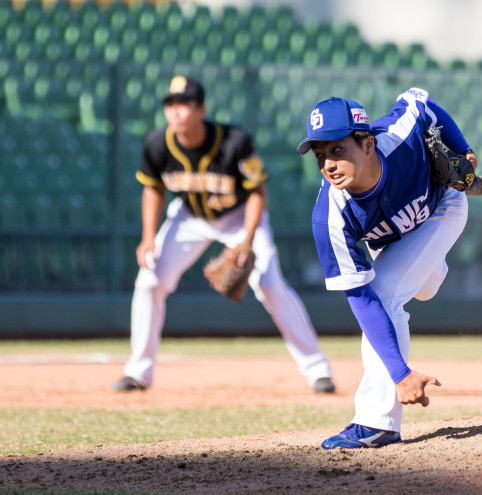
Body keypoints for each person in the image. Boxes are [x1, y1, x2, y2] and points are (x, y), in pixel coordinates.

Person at [111, 76, 335, 394]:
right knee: (149, 280)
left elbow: (258, 191)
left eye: (184, 104)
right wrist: (148, 236)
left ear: (201, 109)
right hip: (189, 217)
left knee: (270, 284)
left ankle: (318, 370)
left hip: (241, 217)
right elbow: (153, 188)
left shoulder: (234, 142)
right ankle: (138, 373)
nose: (175, 112)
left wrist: (246, 239)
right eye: (170, 105)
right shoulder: (157, 144)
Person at [296, 88, 478, 449]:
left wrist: (463, 150)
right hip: (393, 236)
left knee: (388, 290)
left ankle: (377, 422)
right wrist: (401, 372)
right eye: (319, 155)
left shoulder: (398, 136)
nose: (328, 163)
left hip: (441, 208)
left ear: (367, 145)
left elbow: (419, 99)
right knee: (413, 289)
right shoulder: (330, 216)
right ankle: (428, 265)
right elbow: (360, 299)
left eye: (337, 149)